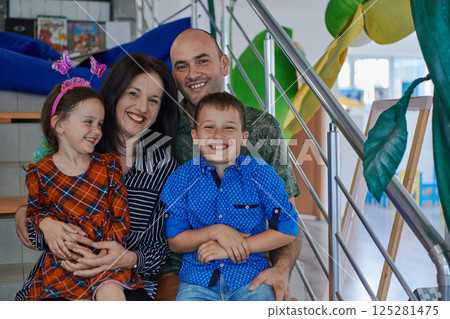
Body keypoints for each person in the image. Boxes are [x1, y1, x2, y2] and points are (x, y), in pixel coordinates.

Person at [15, 53, 180, 301]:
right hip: (64, 274)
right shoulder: (80, 144)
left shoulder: (164, 166)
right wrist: (41, 223)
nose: (143, 107)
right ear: (115, 94)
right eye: (133, 93)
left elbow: (162, 247)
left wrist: (128, 258)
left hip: (124, 280)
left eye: (154, 100)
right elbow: (38, 222)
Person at [156, 28, 301, 301]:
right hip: (183, 268)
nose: (193, 74)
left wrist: (281, 268)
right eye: (181, 66)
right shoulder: (161, 124)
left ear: (224, 64)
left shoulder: (263, 127)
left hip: (247, 262)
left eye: (202, 61)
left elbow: (286, 217)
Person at [21, 77, 143, 300]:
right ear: (59, 125)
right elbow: (36, 211)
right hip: (64, 263)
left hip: (105, 257)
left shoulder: (108, 165)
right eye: (88, 121)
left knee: (112, 292)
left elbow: (121, 216)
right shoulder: (40, 173)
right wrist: (46, 223)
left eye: (99, 123)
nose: (96, 130)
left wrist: (103, 251)